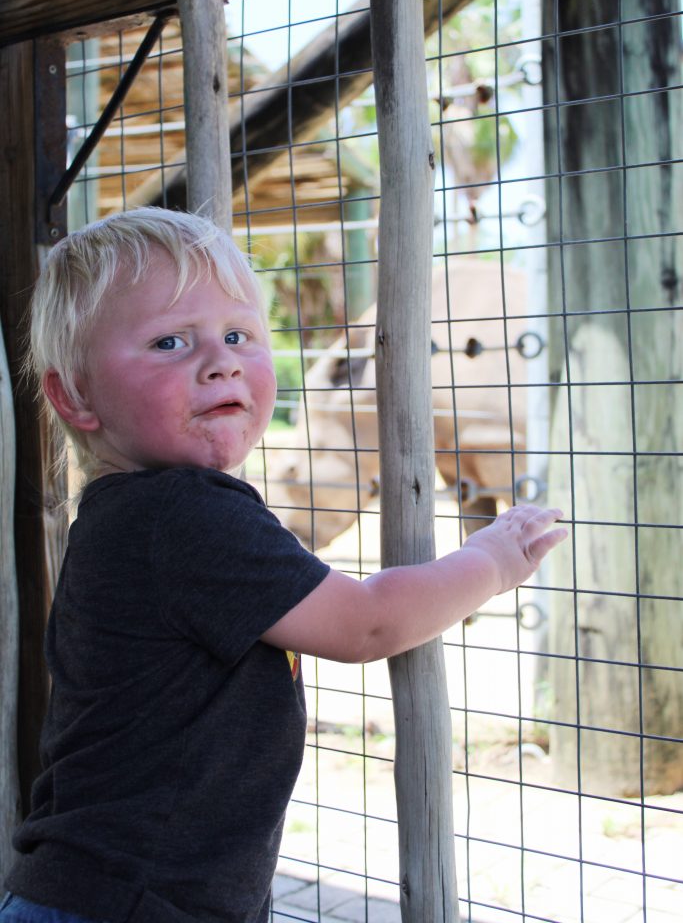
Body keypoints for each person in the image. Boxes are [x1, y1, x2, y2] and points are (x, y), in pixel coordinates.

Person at [2, 207, 566, 923]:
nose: (221, 359)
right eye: (170, 341)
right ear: (74, 395)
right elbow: (366, 624)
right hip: (131, 901)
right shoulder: (183, 513)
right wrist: (493, 555)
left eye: (238, 334)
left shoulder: (124, 514)